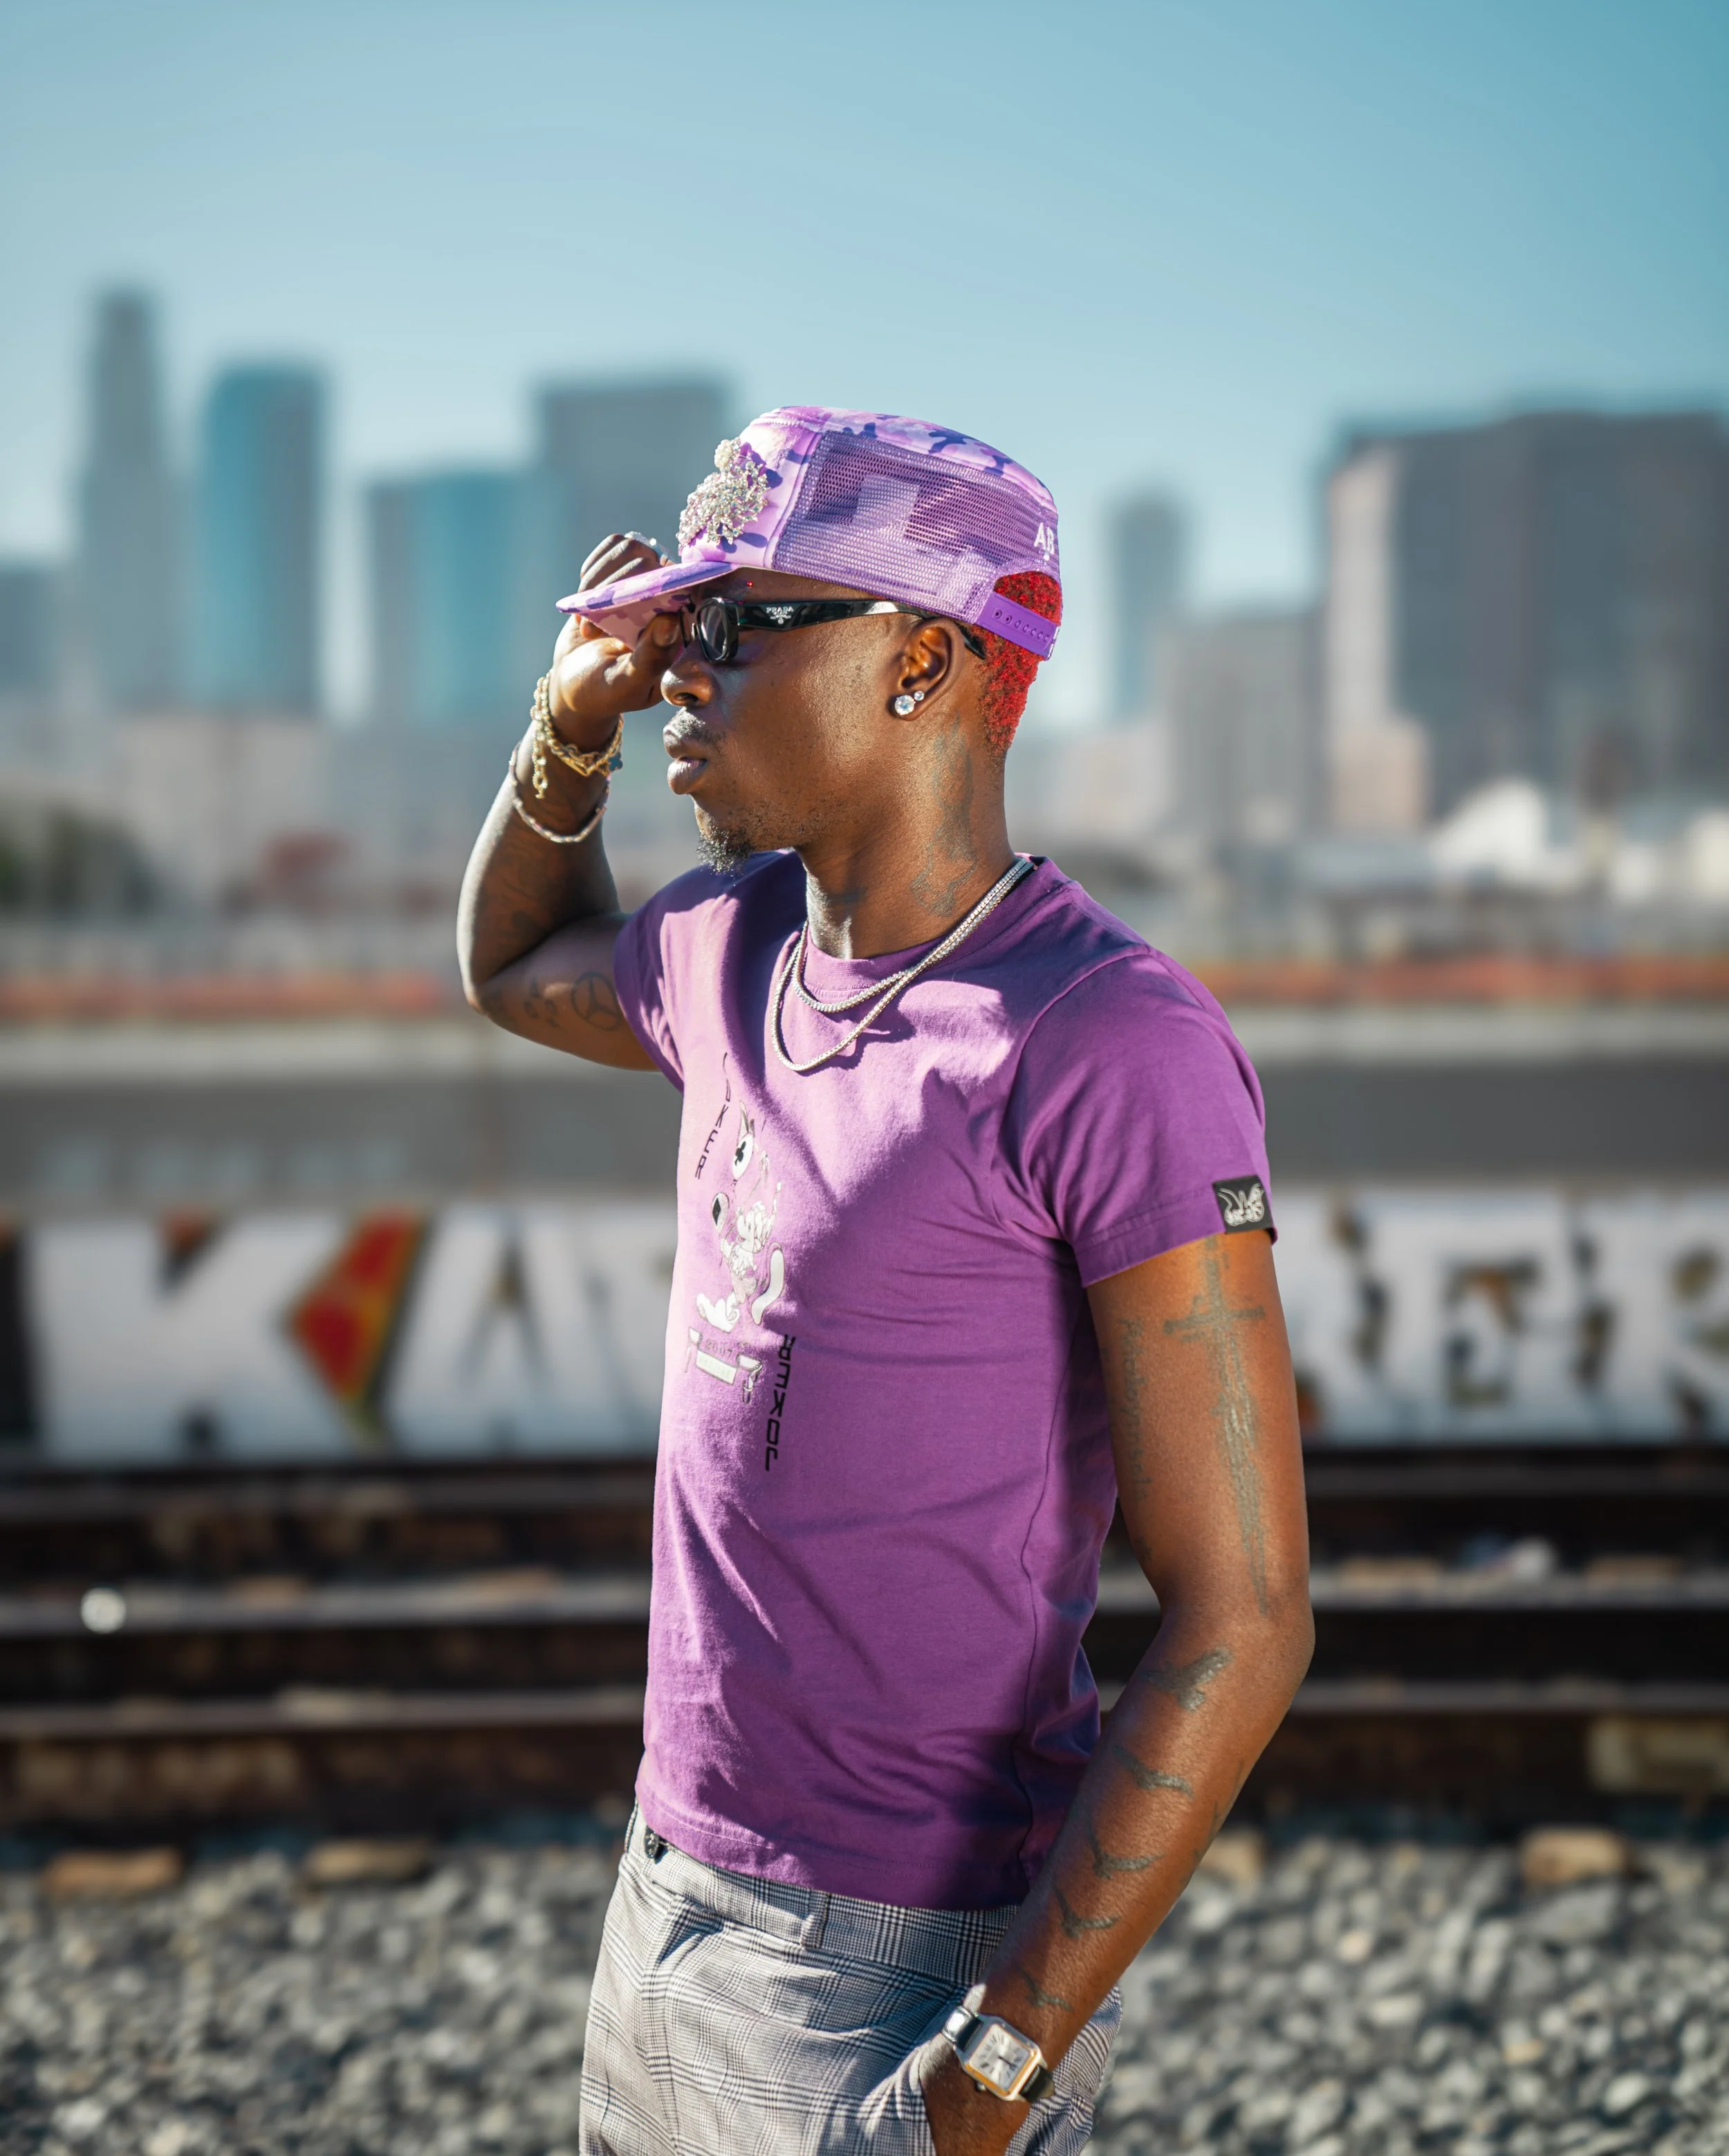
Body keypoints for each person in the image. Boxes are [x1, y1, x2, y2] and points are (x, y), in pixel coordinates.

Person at [459, 407, 1313, 2155]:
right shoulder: (725, 949)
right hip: (658, 1905)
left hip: (894, 1971)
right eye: (673, 631)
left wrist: (995, 2071)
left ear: (923, 659)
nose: (676, 671)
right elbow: (509, 961)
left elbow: (1243, 1615)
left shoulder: (1102, 1042)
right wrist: (564, 727)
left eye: (733, 627)